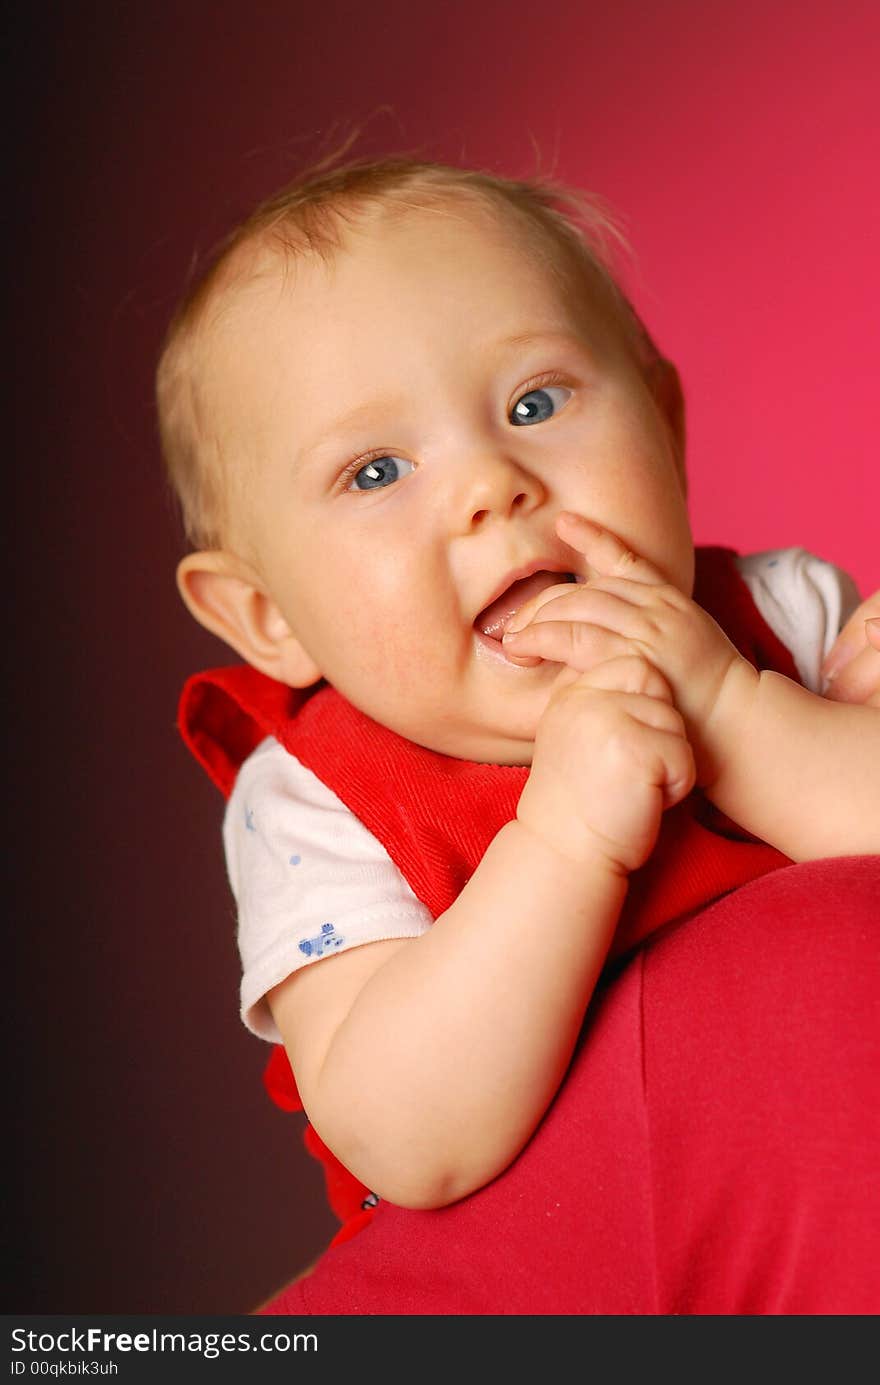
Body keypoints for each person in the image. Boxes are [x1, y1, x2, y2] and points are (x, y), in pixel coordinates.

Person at [158, 157, 880, 1313]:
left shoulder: (780, 621)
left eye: (535, 403)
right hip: (540, 1278)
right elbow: (411, 1135)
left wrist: (737, 712)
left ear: (666, 425)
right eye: (376, 470)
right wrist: (559, 841)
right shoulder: (312, 798)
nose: (493, 485)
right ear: (271, 617)